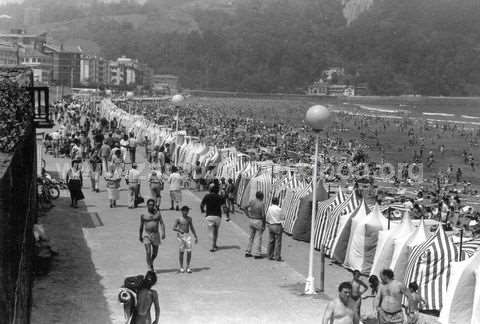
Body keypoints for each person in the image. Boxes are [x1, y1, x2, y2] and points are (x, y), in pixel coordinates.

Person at [139, 199, 166, 271]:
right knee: (148, 251)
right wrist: (140, 236)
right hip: (146, 234)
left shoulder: (158, 214)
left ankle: (151, 262)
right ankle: (149, 267)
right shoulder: (143, 215)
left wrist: (163, 232)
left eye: (152, 205)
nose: (151, 206)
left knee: (155, 253)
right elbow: (141, 226)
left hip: (156, 234)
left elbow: (162, 223)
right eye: (150, 204)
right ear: (147, 205)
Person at [173, 206, 198, 273]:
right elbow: (173, 228)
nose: (186, 212)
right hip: (181, 236)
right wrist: (179, 230)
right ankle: (181, 267)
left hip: (188, 236)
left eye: (187, 211)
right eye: (184, 211)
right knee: (181, 252)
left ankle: (188, 267)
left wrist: (195, 236)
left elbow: (192, 227)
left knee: (189, 251)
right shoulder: (178, 219)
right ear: (182, 211)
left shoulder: (189, 219)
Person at [200, 185, 225, 252]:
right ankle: (214, 244)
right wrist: (228, 216)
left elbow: (202, 205)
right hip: (218, 217)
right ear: (217, 190)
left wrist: (202, 210)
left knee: (210, 231)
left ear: (210, 190)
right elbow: (224, 207)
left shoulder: (207, 196)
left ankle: (212, 246)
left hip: (209, 216)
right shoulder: (220, 197)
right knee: (216, 231)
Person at [244, 191, 266, 259]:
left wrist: (248, 215)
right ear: (261, 196)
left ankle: (248, 251)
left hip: (252, 219)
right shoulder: (261, 204)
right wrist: (264, 224)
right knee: (258, 237)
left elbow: (245, 207)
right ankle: (257, 253)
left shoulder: (252, 201)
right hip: (258, 220)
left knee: (251, 237)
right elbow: (263, 215)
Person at [266, 197, 285, 261]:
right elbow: (283, 217)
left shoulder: (269, 208)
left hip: (271, 225)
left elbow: (267, 216)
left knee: (271, 241)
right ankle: (277, 256)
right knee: (278, 242)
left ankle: (269, 255)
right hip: (277, 225)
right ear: (278, 202)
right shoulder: (279, 209)